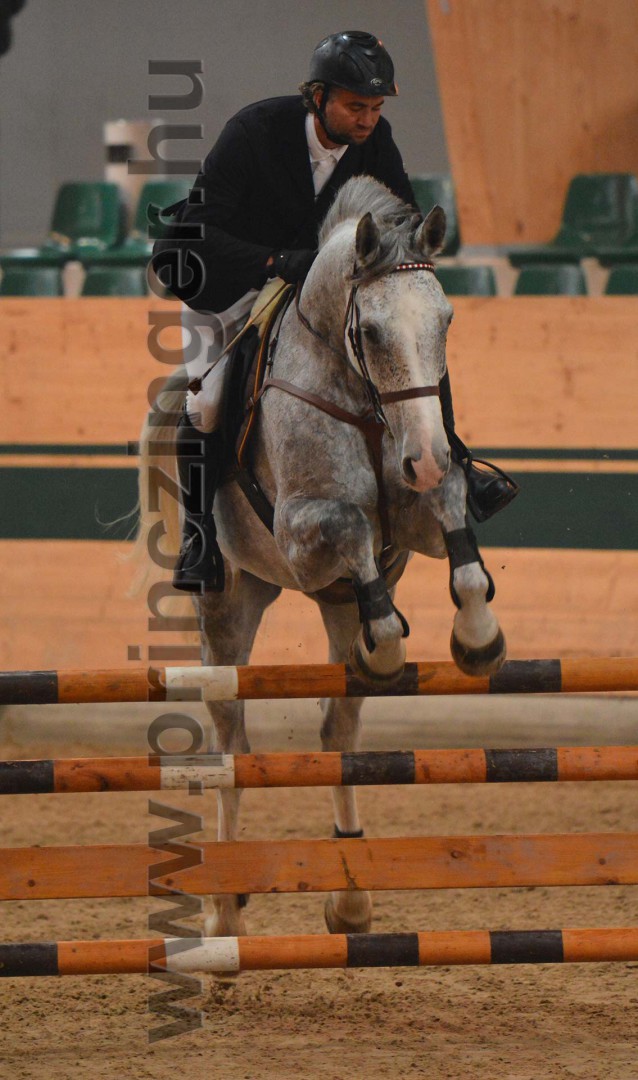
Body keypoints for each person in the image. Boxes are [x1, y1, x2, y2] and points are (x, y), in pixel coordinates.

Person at [153, 30, 518, 593]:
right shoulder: (253, 132)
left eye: (375, 108)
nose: (368, 119)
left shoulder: (375, 140)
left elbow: (403, 217)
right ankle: (199, 537)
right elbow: (198, 236)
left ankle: (460, 462)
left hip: (315, 289)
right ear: (317, 96)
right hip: (230, 286)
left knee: (409, 346)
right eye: (355, 107)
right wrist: (274, 259)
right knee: (206, 401)